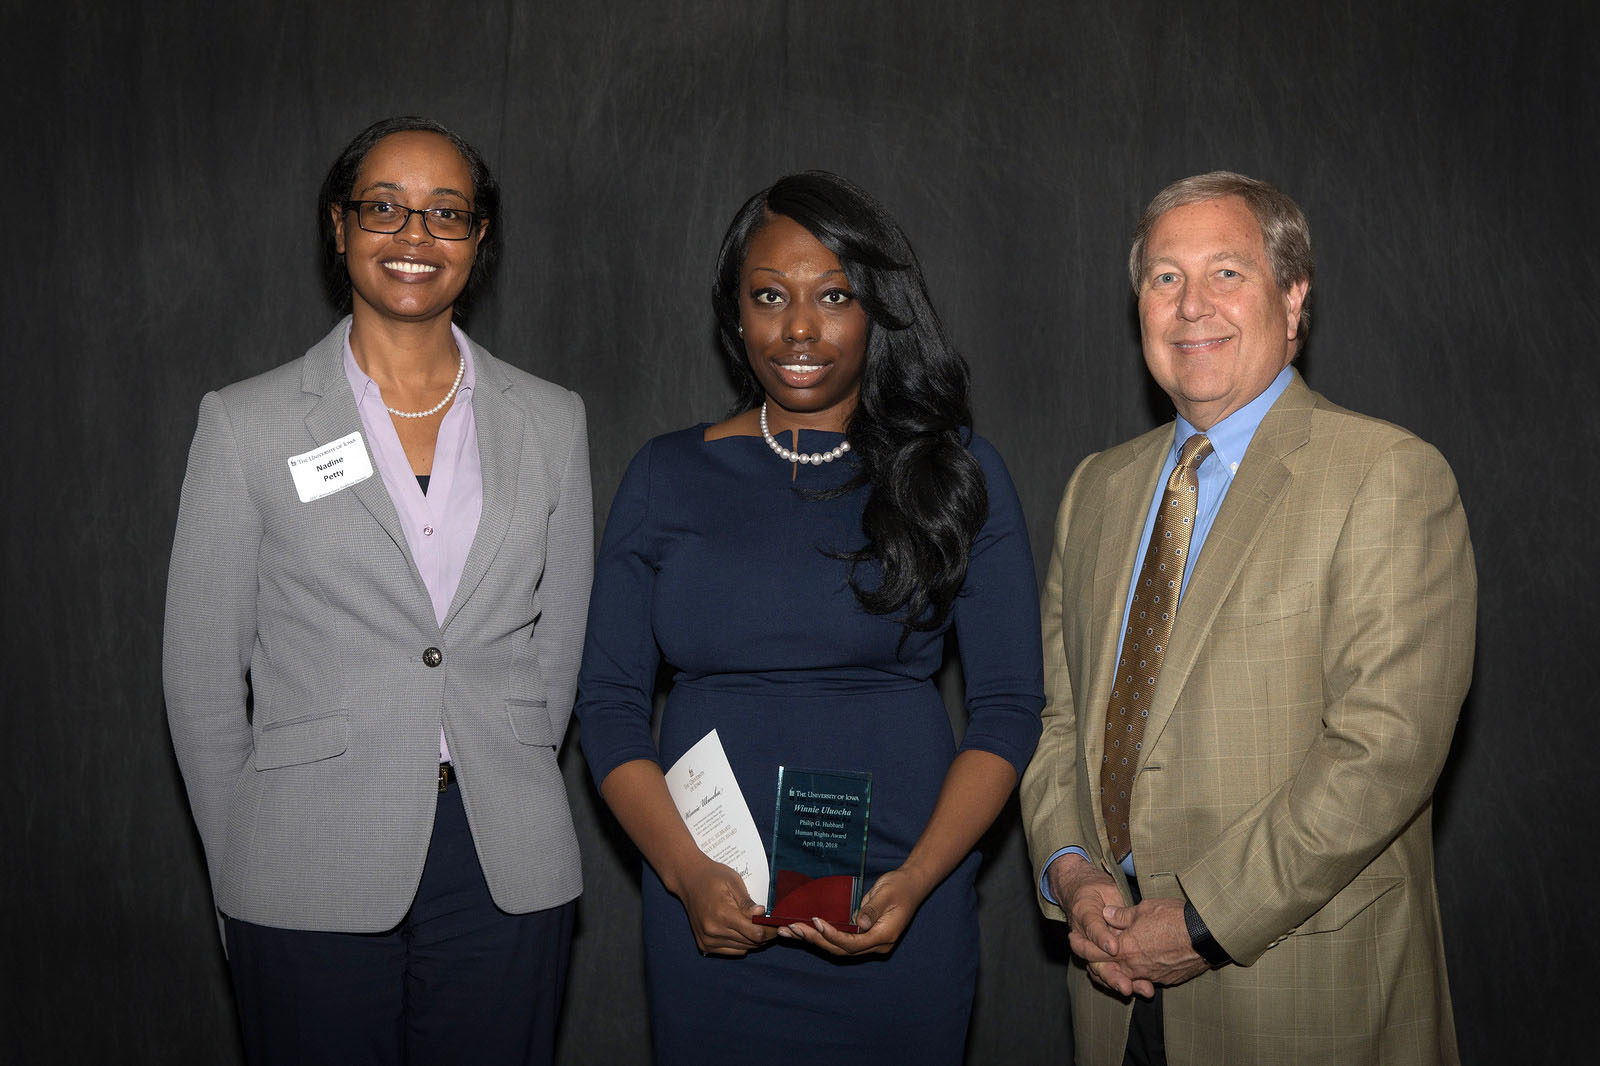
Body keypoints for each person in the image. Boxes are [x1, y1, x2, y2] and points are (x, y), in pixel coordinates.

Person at [575, 171, 1043, 1064]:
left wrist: (918, 880)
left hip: (905, 898)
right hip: (712, 906)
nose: (798, 328)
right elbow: (606, 705)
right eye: (769, 297)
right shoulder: (665, 475)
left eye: (834, 296)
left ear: (878, 311)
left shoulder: (954, 473)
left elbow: (1011, 707)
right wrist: (686, 874)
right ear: (735, 314)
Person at [1020, 171, 1476, 1065]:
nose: (1192, 307)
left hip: (1300, 994)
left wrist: (1199, 921)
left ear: (1293, 296)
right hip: (1111, 994)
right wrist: (1069, 872)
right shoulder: (1096, 490)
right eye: (1164, 278)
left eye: (1227, 273)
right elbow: (1061, 723)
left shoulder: (1387, 475)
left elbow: (1385, 753)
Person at [163, 116, 591, 1065]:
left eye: (446, 214)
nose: (413, 237)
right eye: (384, 209)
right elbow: (200, 680)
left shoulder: (553, 422)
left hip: (502, 860)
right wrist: (241, 867)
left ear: (480, 239)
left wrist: (508, 761)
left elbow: (556, 656)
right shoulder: (245, 423)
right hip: (305, 859)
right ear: (340, 226)